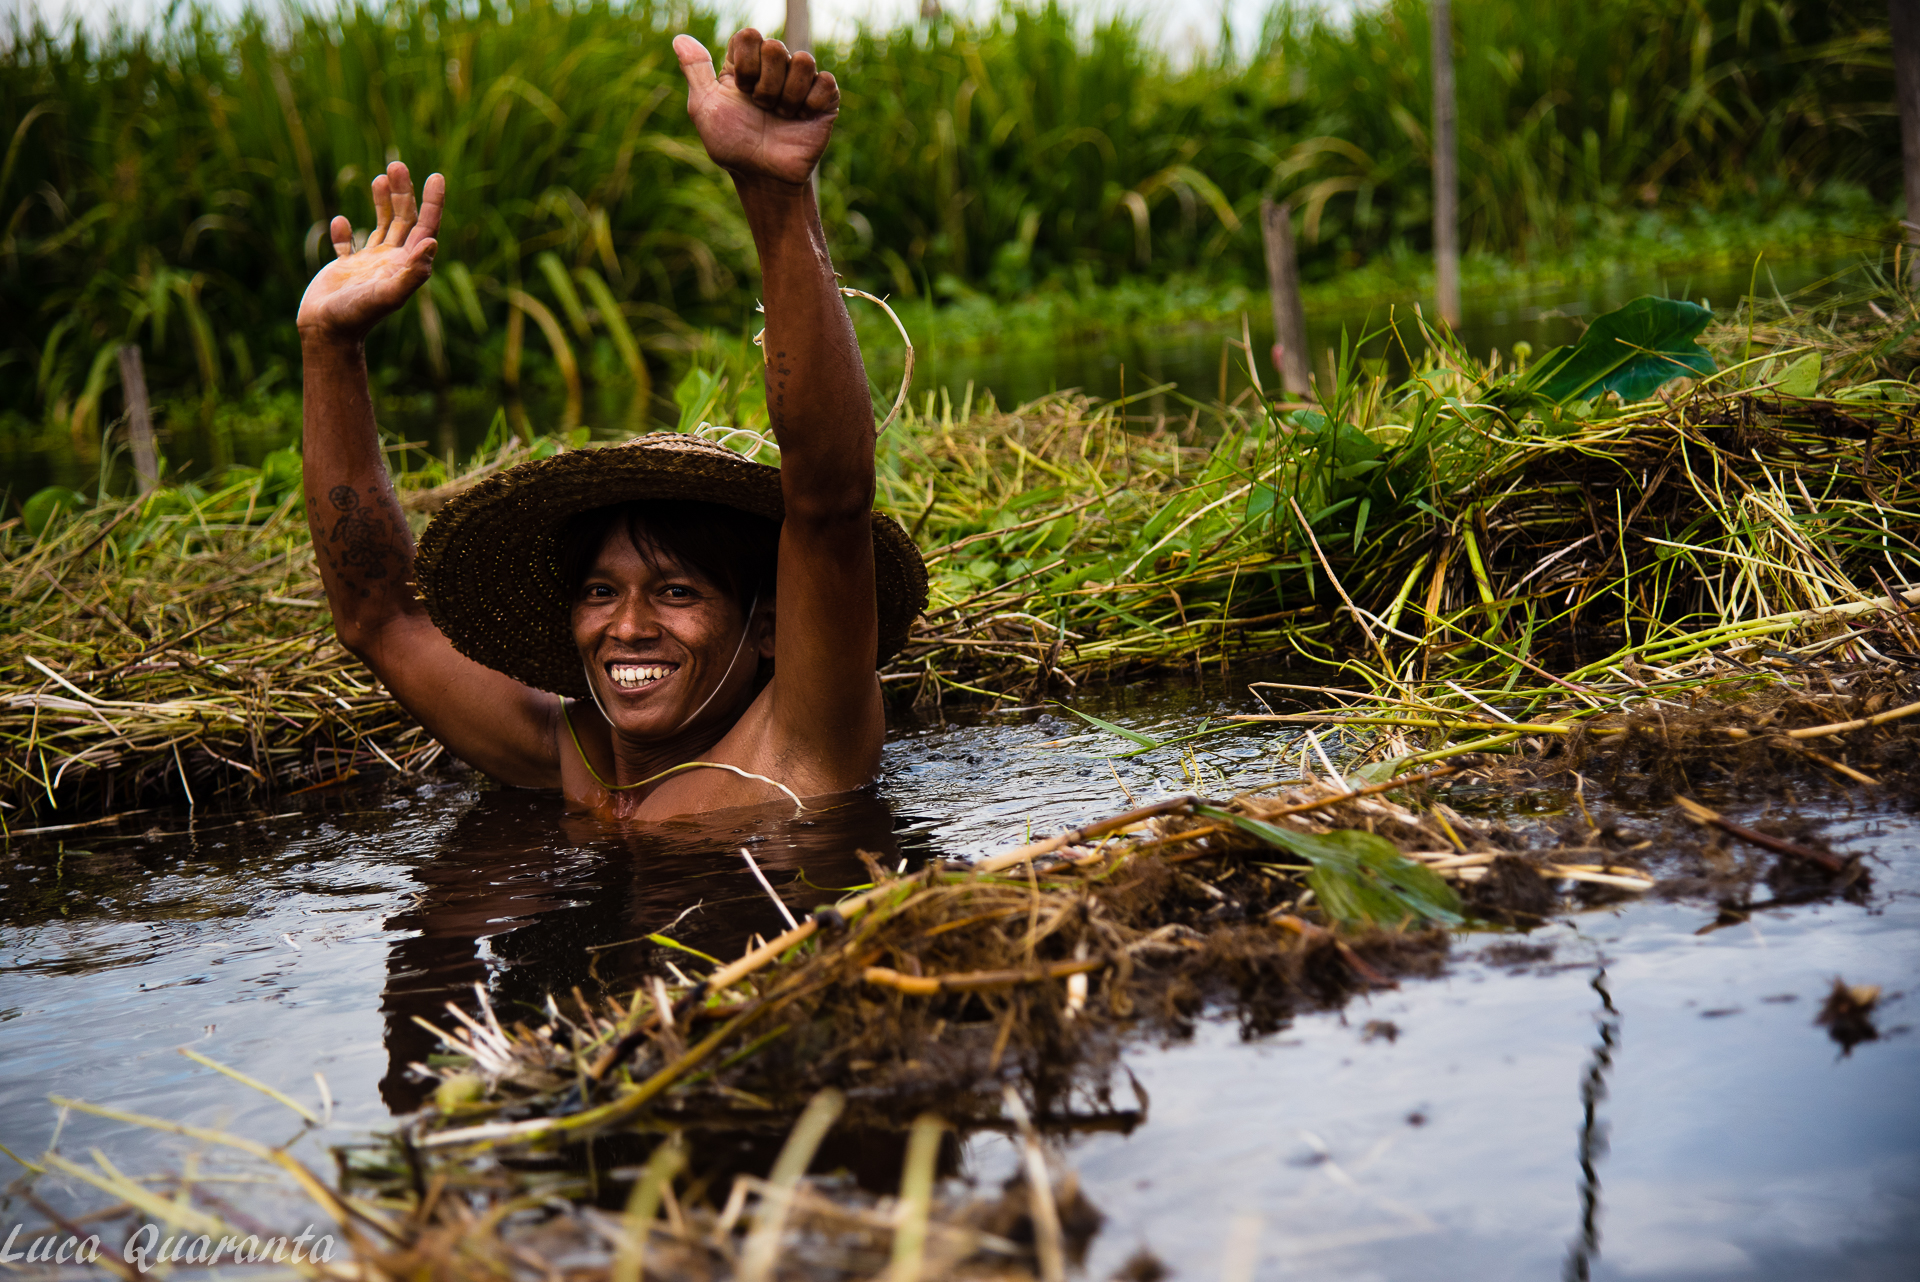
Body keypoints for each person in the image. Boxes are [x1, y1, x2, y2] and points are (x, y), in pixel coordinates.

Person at [295, 29, 925, 821]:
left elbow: (830, 503)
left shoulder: (799, 741)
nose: (628, 628)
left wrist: (775, 198)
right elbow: (381, 617)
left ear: (766, 626)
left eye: (675, 590)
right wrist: (329, 347)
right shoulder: (570, 757)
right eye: (600, 590)